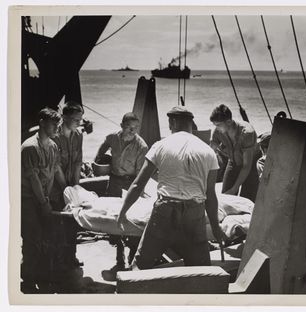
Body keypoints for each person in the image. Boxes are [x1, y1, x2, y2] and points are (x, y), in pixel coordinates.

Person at [117, 106, 224, 270]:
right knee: (201, 269)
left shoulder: (160, 145)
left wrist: (122, 213)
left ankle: (132, 286)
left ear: (172, 122)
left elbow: (138, 184)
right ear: (191, 124)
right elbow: (210, 195)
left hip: (165, 211)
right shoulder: (208, 152)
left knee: (141, 264)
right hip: (194, 212)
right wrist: (216, 229)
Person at [95, 112, 148, 269]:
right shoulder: (112, 137)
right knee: (113, 216)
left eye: (135, 128)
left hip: (130, 183)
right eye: (129, 127)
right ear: (121, 126)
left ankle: (132, 252)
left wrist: (139, 194)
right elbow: (104, 146)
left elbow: (141, 175)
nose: (132, 131)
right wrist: (98, 158)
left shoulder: (142, 146)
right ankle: (118, 253)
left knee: (130, 217)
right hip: (114, 181)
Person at [21, 108, 63, 293]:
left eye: (58, 124)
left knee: (48, 237)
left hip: (45, 198)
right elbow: (34, 180)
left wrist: (69, 189)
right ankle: (28, 280)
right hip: (29, 200)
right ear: (42, 123)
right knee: (32, 240)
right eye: (54, 124)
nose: (57, 128)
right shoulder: (30, 147)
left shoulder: (53, 146)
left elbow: (55, 171)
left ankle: (43, 276)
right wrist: (44, 203)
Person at [50, 101, 84, 269]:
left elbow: (78, 162)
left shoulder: (78, 135)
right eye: (76, 119)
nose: (79, 122)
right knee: (56, 226)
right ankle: (56, 261)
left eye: (81, 119)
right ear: (64, 117)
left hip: (71, 185)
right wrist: (65, 188)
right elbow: (56, 167)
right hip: (56, 188)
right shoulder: (54, 137)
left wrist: (75, 187)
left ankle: (71, 257)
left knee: (73, 222)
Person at [210, 104, 258, 202]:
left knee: (247, 199)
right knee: (226, 197)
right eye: (215, 125)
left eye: (218, 125)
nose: (216, 128)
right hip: (233, 161)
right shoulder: (218, 131)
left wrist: (234, 189)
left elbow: (246, 166)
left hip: (251, 165)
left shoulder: (247, 133)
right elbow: (210, 153)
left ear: (228, 122)